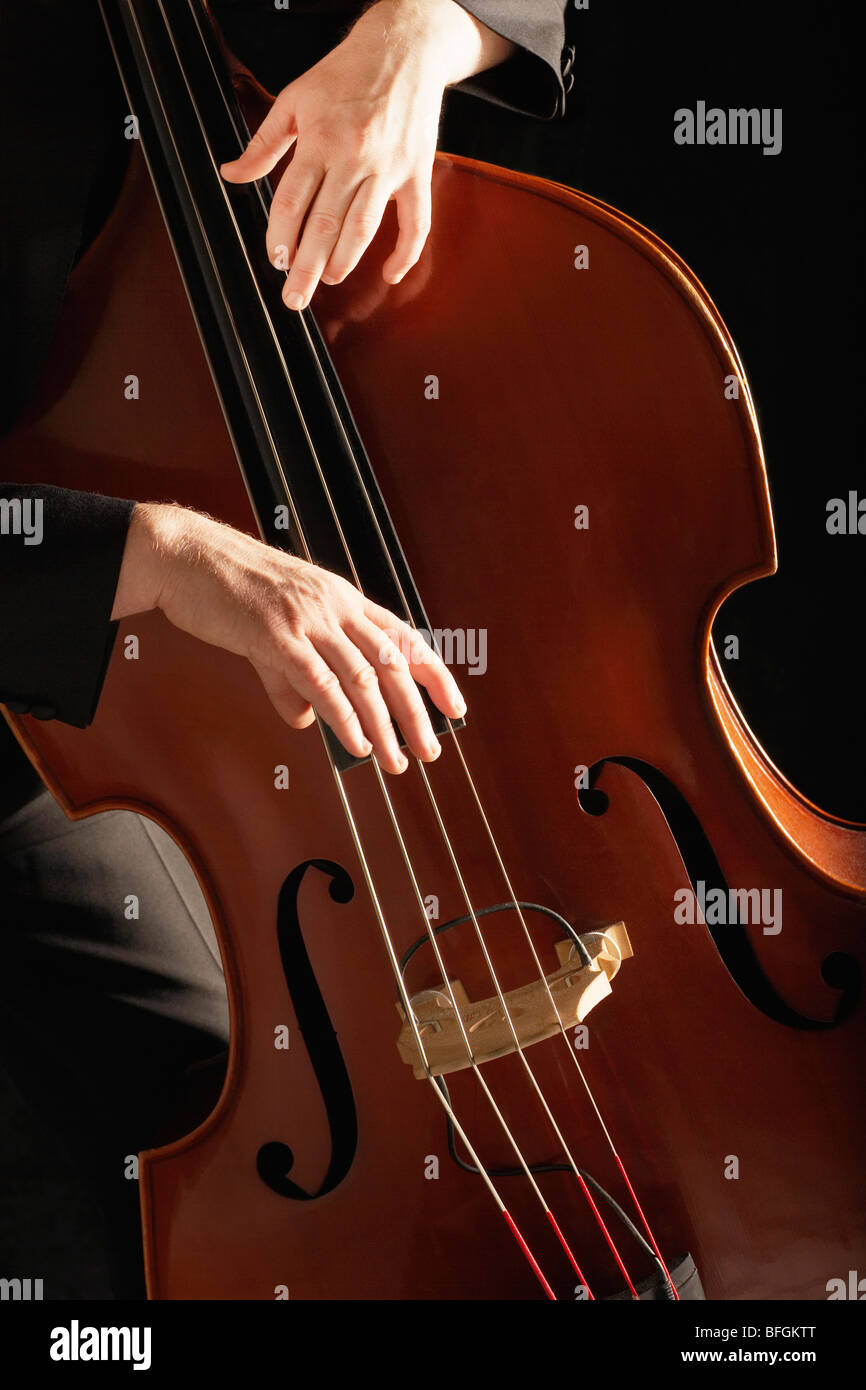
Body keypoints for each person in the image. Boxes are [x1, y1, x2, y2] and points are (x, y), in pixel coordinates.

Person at [0, 1, 572, 1298]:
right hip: (35, 699)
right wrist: (160, 555)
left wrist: (430, 32)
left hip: (266, 584)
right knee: (256, 1140)